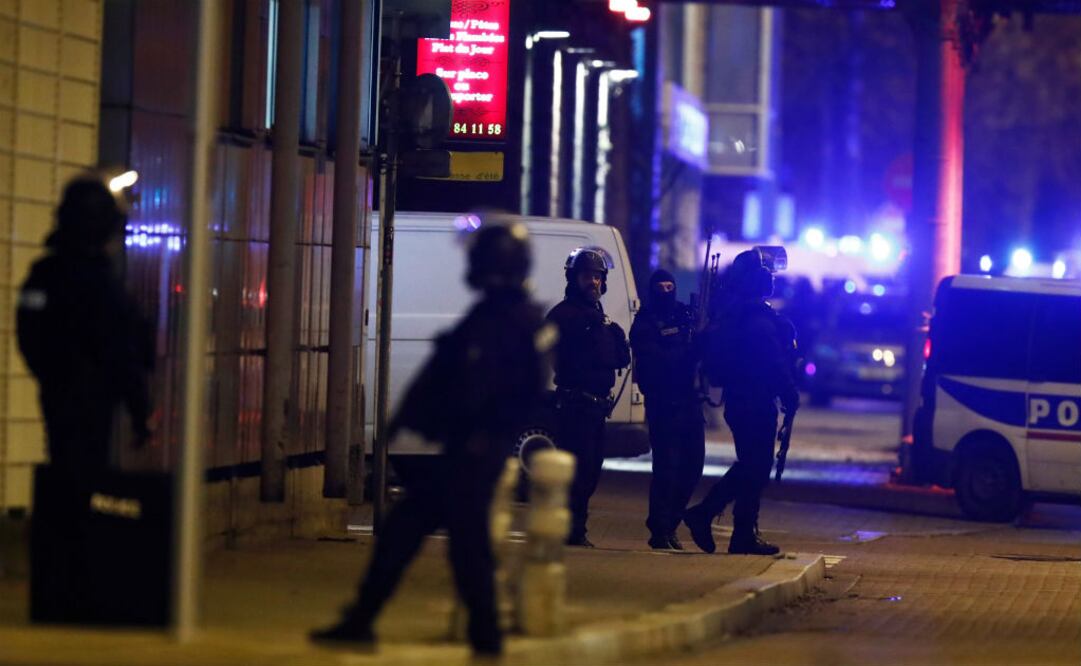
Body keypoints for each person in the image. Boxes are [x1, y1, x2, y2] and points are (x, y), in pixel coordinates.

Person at [311, 222, 554, 657]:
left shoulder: (511, 321)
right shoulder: (495, 314)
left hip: (473, 452)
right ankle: (474, 635)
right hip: (464, 450)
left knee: (445, 541)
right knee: (442, 540)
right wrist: (406, 418)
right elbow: (444, 371)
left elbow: (508, 391)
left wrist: (480, 433)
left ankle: (467, 634)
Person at [17, 171, 153, 471]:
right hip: (93, 401)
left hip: (56, 393)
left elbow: (28, 334)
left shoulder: (42, 276)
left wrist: (52, 375)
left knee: (62, 468)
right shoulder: (100, 285)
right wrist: (139, 407)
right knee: (87, 481)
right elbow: (121, 350)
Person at [683, 249, 799, 556]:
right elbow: (772, 362)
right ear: (756, 280)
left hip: (744, 399)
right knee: (755, 466)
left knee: (753, 466)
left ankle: (738, 532)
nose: (772, 280)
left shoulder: (738, 313)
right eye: (767, 275)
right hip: (753, 401)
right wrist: (789, 392)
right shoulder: (755, 319)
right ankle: (710, 516)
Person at [546, 248, 631, 548]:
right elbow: (560, 356)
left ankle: (575, 528)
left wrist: (616, 341)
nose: (593, 283)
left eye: (597, 277)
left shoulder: (600, 318)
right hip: (574, 405)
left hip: (596, 407)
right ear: (574, 279)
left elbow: (617, 359)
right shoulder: (563, 315)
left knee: (592, 470)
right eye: (587, 277)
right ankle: (570, 530)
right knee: (576, 472)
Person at [630, 270, 705, 551]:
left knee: (693, 465)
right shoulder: (646, 321)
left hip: (689, 401)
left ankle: (671, 523)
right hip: (664, 404)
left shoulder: (686, 316)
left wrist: (702, 340)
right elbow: (656, 361)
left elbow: (703, 350)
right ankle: (660, 529)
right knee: (667, 468)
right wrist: (688, 353)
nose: (666, 291)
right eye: (660, 286)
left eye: (670, 286)